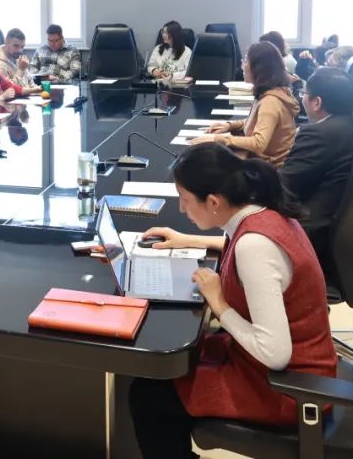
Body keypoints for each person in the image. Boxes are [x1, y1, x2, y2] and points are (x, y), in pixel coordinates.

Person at [129, 143, 336, 458]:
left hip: (287, 388)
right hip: (289, 367)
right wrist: (186, 239)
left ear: (213, 202)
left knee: (149, 395)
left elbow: (275, 354)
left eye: (185, 200)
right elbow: (240, 242)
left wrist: (219, 304)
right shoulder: (262, 213)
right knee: (167, 367)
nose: (182, 209)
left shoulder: (254, 247)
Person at [280, 67, 353, 277]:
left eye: (304, 93)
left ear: (317, 102)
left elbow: (282, 187)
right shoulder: (350, 125)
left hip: (308, 230)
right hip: (330, 224)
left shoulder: (320, 134)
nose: (301, 98)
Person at [193, 42, 299, 167]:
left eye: (246, 61)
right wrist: (229, 125)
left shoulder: (270, 101)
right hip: (264, 164)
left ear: (258, 69)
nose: (242, 66)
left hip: (269, 170)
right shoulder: (273, 92)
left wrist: (218, 139)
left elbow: (259, 143)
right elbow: (259, 122)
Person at [0, 28, 43, 93]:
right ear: (6, 42)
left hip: (29, 96)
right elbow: (9, 91)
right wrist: (21, 70)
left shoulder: (19, 58)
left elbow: (31, 84)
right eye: (16, 46)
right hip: (16, 98)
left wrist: (41, 91)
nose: (20, 50)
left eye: (22, 46)